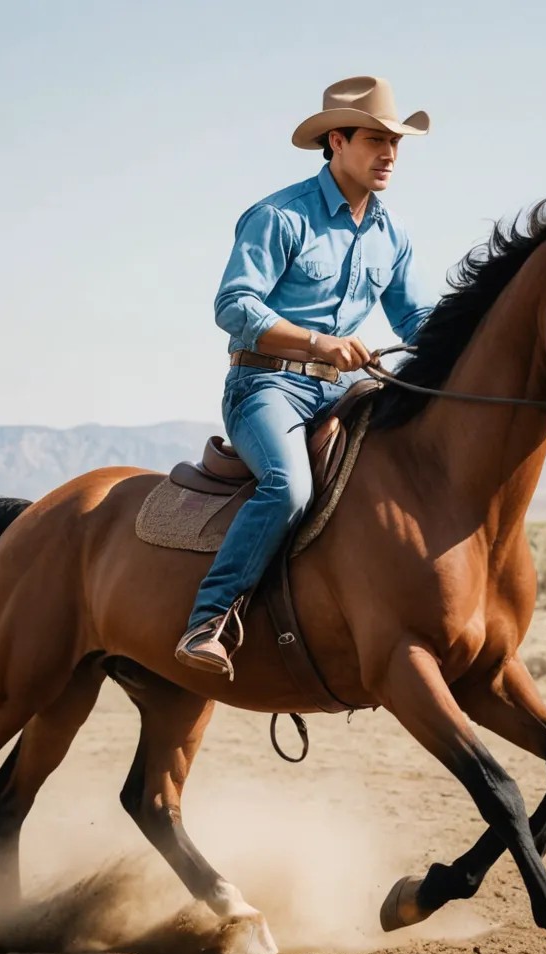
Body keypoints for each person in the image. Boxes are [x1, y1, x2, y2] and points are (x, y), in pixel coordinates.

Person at [175, 75, 437, 678]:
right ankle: (209, 619)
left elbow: (415, 318)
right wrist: (318, 341)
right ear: (337, 141)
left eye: (396, 142)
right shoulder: (279, 215)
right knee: (288, 488)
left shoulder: (390, 234)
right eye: (376, 139)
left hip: (345, 389)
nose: (390, 153)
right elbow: (234, 306)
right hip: (266, 386)